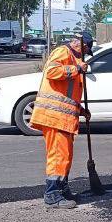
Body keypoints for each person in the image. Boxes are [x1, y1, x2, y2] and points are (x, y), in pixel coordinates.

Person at [30, 30, 93, 208]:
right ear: (82, 45)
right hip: (54, 117)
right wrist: (77, 69)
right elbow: (52, 72)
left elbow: (66, 93)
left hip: (63, 118)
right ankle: (52, 194)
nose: (84, 54)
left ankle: (62, 188)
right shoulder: (63, 52)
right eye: (85, 50)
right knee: (58, 155)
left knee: (65, 155)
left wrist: (80, 110)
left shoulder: (73, 58)